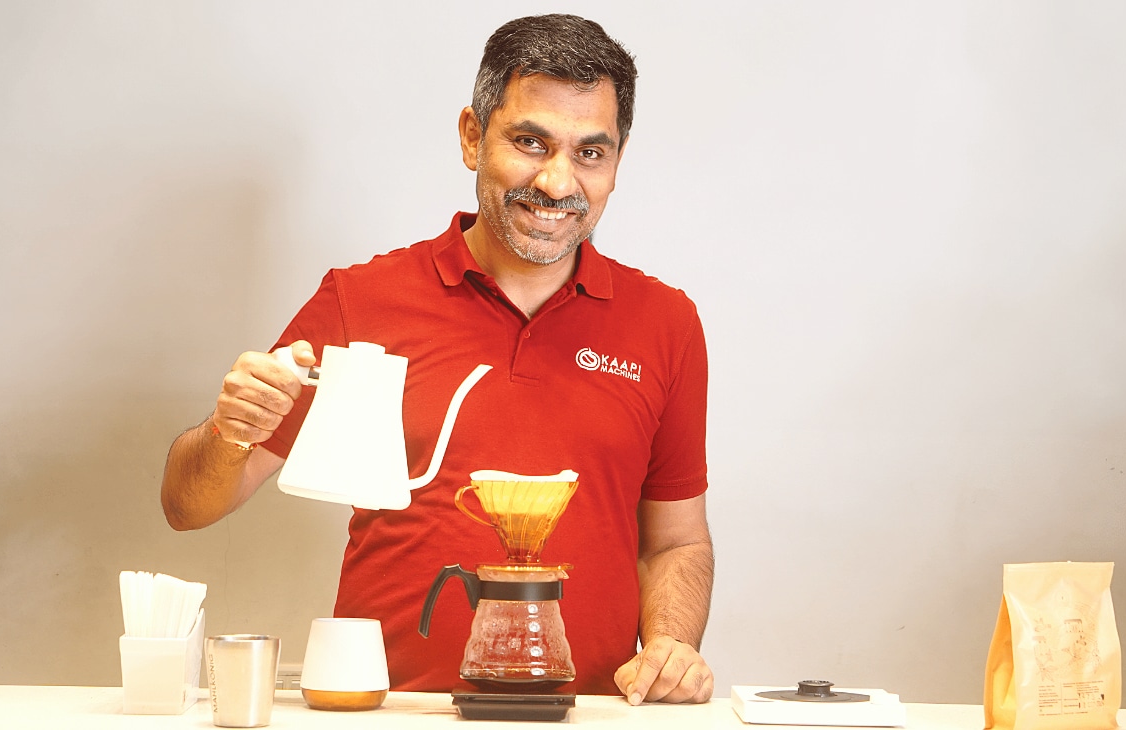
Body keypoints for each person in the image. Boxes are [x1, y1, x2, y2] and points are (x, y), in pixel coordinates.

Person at [161, 14, 714, 704]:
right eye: (530, 142)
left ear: (617, 162)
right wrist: (231, 430)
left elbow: (675, 543)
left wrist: (670, 646)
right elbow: (188, 507)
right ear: (472, 137)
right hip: (388, 712)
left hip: (592, 714)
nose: (556, 181)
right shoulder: (361, 302)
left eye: (590, 153)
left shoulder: (665, 323)